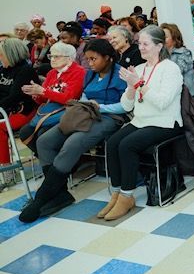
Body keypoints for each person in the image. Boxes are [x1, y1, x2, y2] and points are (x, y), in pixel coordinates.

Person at [19, 39, 127, 222]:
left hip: (110, 117)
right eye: (88, 59)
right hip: (86, 113)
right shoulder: (91, 74)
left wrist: (99, 107)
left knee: (72, 142)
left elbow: (125, 106)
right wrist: (87, 104)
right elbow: (84, 95)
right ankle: (60, 194)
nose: (90, 64)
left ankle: (41, 199)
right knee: (44, 141)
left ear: (108, 58)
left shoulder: (120, 75)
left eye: (94, 59)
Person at [98, 26, 184, 221]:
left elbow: (162, 102)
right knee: (112, 143)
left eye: (146, 44)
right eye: (139, 43)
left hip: (165, 122)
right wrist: (130, 87)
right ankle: (117, 193)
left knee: (128, 145)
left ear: (159, 46)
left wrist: (138, 84)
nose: (141, 48)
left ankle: (127, 197)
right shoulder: (139, 69)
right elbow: (126, 105)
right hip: (141, 120)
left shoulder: (170, 68)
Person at [19, 42, 86, 153]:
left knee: (42, 134)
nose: (52, 59)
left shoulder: (79, 72)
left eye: (56, 56)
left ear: (69, 59)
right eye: (51, 56)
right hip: (50, 112)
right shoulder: (52, 73)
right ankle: (47, 160)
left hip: (67, 112)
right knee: (25, 132)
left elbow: (70, 98)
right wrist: (35, 94)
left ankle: (59, 164)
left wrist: (43, 92)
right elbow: (44, 99)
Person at [0, 39, 39, 167]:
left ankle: (6, 168)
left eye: (1, 55)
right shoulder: (3, 69)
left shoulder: (25, 71)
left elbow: (15, 96)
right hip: (5, 109)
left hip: (24, 110)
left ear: (11, 54)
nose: (0, 58)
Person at [161, 23, 194, 96]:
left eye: (165, 37)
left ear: (174, 38)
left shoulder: (184, 53)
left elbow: (175, 74)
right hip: (169, 93)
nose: (162, 40)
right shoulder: (162, 54)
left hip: (185, 95)